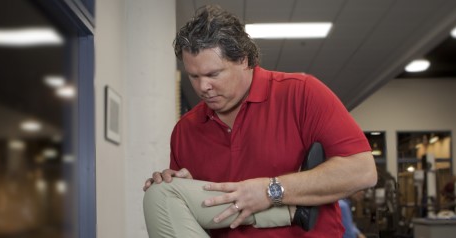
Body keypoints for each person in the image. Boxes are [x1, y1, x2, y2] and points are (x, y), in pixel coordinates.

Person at [142, 5, 377, 238]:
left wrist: (270, 190)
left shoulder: (301, 93)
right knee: (160, 193)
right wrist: (183, 189)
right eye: (194, 76)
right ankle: (291, 211)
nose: (203, 87)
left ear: (243, 60)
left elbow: (363, 171)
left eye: (213, 74)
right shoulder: (186, 130)